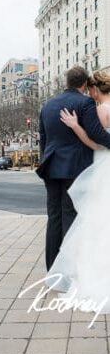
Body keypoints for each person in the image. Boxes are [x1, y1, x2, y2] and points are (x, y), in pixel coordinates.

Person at [36, 66, 110, 271]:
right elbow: (97, 134)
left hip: (50, 167)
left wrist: (45, 160)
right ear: (85, 85)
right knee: (71, 216)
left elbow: (43, 138)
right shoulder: (85, 102)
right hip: (74, 167)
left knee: (54, 217)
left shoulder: (47, 105)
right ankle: (67, 270)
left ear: (67, 82)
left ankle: (52, 268)